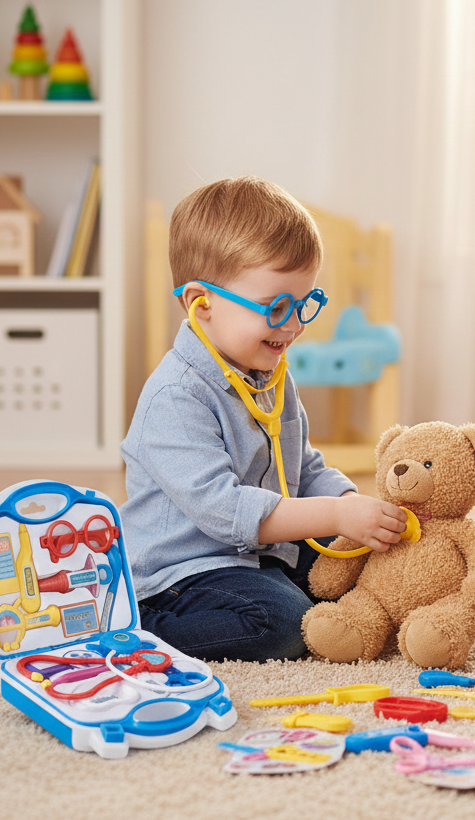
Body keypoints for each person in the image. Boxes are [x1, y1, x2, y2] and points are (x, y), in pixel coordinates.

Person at [120, 176, 407, 662]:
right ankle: (137, 627)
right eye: (276, 307)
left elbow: (304, 468)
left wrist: (350, 505)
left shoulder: (269, 374)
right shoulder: (176, 396)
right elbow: (225, 511)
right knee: (283, 625)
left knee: (363, 562)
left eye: (304, 304)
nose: (293, 325)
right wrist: (336, 516)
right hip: (184, 572)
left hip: (260, 553)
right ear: (201, 304)